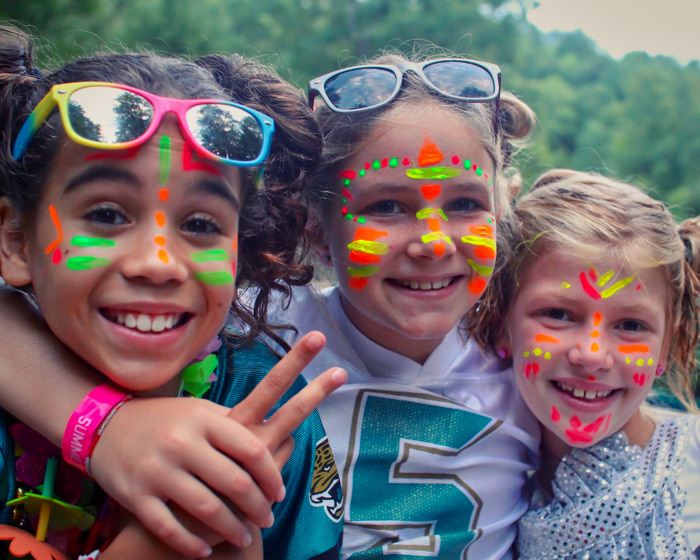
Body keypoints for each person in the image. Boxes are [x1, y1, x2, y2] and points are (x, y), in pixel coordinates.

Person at [0, 50, 538, 559]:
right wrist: (100, 426)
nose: (435, 242)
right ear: (314, 230)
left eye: (466, 204)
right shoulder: (271, 326)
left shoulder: (533, 359)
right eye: (388, 206)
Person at [0, 25, 346, 559]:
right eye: (107, 214)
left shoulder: (268, 413)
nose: (159, 264)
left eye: (203, 224)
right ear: (18, 241)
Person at [473, 169, 700, 558]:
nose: (593, 354)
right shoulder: (482, 489)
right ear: (501, 324)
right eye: (558, 315)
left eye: (631, 325)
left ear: (665, 345)